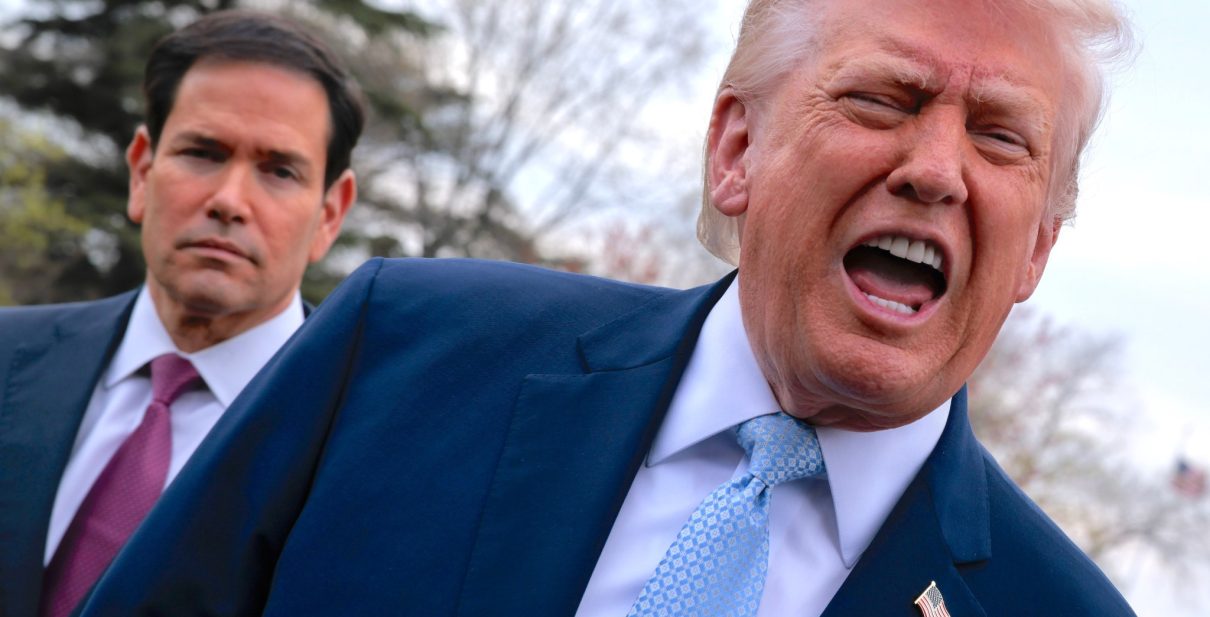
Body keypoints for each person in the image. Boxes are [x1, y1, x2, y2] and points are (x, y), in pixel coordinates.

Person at [81, 0, 1136, 615]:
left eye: (1001, 136)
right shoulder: (398, 350)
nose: (936, 169)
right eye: (883, 99)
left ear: (1038, 246)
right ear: (736, 150)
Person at [0, 10, 363, 617]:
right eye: (202, 152)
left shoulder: (358, 445)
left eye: (279, 170)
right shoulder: (7, 357)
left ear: (330, 214)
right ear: (142, 171)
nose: (229, 200)